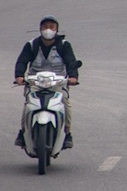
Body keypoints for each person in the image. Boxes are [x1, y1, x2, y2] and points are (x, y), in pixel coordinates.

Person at [14, 17, 80, 150]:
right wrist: (19, 76)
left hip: (58, 83)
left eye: (52, 26)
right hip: (35, 82)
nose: (48, 30)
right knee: (28, 104)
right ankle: (23, 132)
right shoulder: (31, 45)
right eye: (45, 27)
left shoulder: (64, 45)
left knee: (65, 103)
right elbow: (22, 61)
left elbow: (71, 61)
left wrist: (73, 77)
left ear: (57, 29)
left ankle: (67, 133)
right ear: (40, 29)